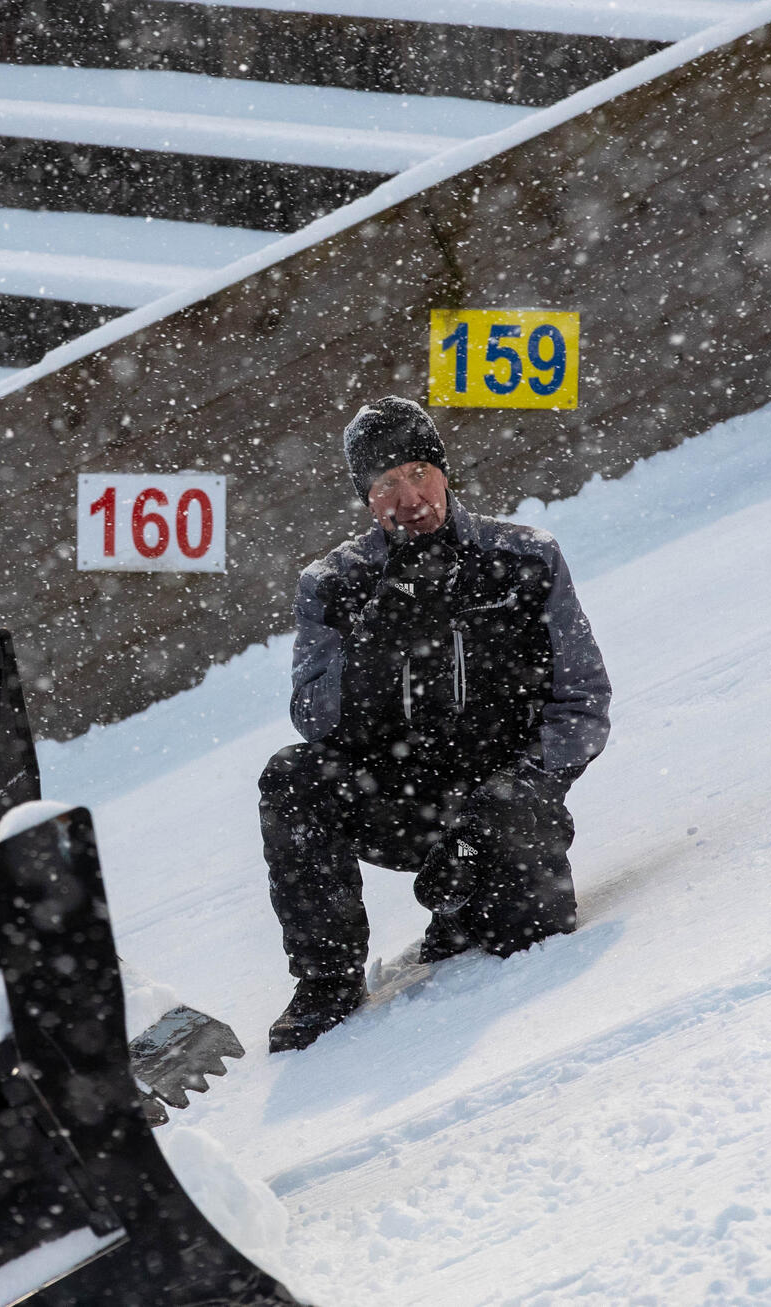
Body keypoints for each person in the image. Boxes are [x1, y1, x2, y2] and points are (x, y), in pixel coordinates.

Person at [260, 396, 611, 1053]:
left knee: (527, 939)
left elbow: (582, 700)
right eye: (386, 484)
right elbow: (311, 718)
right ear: (366, 500)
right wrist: (366, 648)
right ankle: (327, 980)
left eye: (419, 472)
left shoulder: (523, 558)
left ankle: (468, 902)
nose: (409, 497)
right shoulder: (333, 583)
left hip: (508, 800)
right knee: (293, 775)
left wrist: (507, 798)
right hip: (400, 799)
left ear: (445, 472)